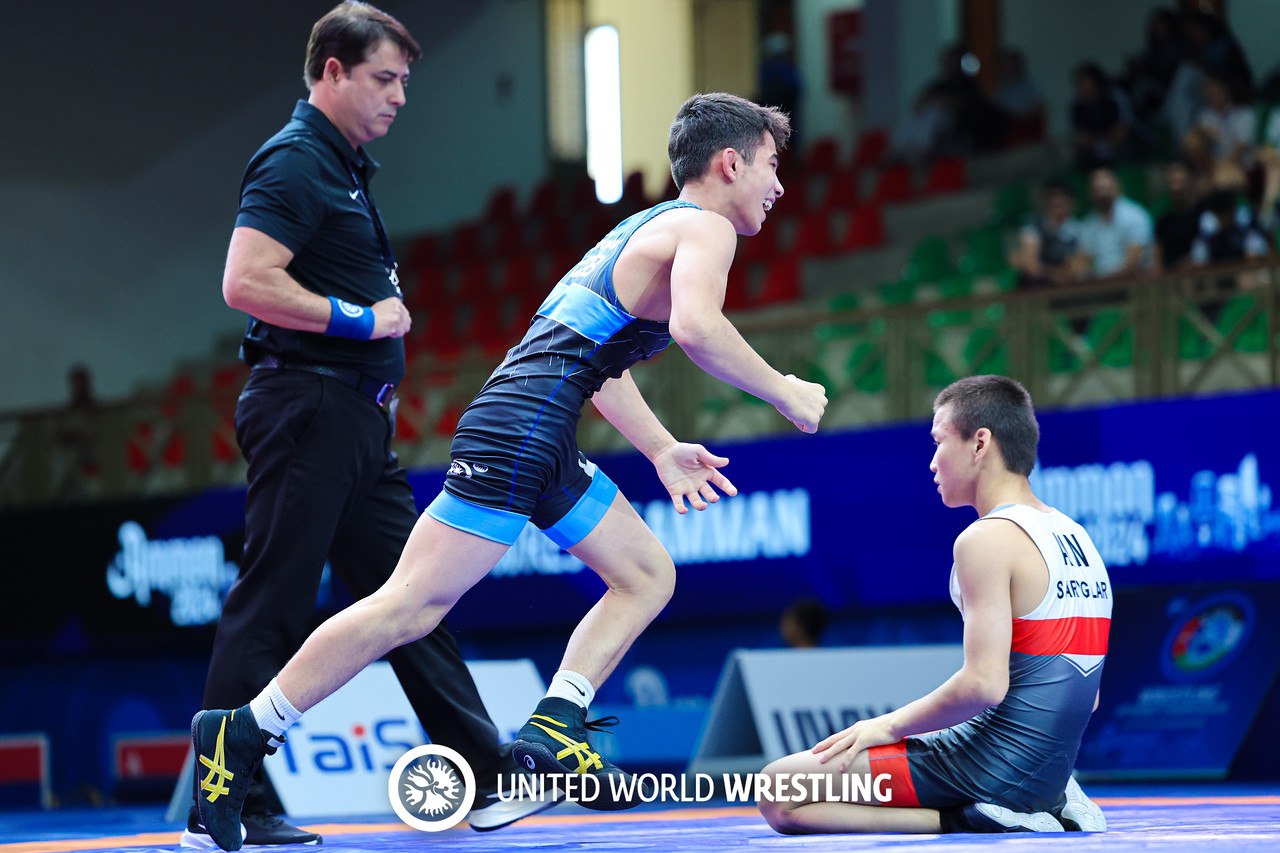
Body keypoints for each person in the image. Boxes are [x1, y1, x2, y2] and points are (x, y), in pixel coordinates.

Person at [189, 91, 828, 851]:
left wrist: (660, 448)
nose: (778, 185)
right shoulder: (705, 227)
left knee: (646, 573)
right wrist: (783, 389)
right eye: (771, 165)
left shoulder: (646, 228)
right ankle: (242, 730)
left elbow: (602, 367)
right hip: (522, 428)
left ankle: (553, 727)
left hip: (539, 428)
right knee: (408, 607)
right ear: (730, 163)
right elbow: (697, 327)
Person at [184, 3, 554, 847]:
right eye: (384, 79)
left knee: (415, 598)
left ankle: (484, 772)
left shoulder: (342, 166)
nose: (399, 97)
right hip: (308, 407)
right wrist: (362, 318)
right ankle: (223, 804)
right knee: (273, 601)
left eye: (404, 82)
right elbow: (245, 281)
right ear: (332, 72)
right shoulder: (293, 160)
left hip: (353, 420)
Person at [758, 375, 1110, 835]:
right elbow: (1089, 696)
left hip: (989, 767)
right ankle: (1052, 797)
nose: (931, 462)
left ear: (979, 443)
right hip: (1048, 767)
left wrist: (888, 726)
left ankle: (971, 817)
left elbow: (983, 686)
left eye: (938, 441)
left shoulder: (986, 539)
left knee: (778, 791)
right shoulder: (1077, 537)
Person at [1077, 168, 1154, 278]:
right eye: (1097, 191)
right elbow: (1084, 259)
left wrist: (1107, 279)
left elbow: (1133, 261)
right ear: (1090, 194)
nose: (1102, 196)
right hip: (1099, 282)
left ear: (1117, 188)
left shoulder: (1135, 215)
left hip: (1132, 280)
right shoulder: (1088, 223)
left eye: (1105, 189)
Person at [1010, 178, 1083, 286]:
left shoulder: (1077, 228)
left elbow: (1078, 266)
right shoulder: (1033, 223)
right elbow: (1029, 263)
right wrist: (1054, 275)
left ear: (1071, 201)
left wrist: (1065, 272)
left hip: (1066, 287)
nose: (1057, 200)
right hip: (1035, 286)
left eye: (1061, 196)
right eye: (1052, 196)